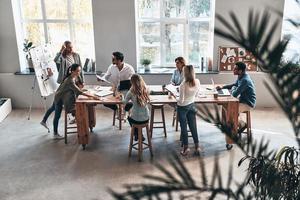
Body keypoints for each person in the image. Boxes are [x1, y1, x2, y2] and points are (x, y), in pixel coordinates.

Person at [52, 64, 98, 139]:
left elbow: (76, 89)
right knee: (57, 116)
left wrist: (84, 90)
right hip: (59, 98)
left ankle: (84, 124)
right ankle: (55, 133)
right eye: (77, 71)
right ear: (72, 71)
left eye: (79, 71)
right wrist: (93, 97)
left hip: (63, 97)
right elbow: (78, 92)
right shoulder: (70, 80)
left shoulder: (73, 77)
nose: (79, 72)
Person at [216, 62, 256, 133]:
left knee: (230, 111)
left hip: (248, 103)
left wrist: (234, 88)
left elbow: (234, 94)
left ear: (240, 71)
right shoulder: (241, 76)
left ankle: (242, 124)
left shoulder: (245, 80)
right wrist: (223, 87)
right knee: (225, 105)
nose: (233, 70)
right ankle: (227, 125)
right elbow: (235, 85)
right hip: (242, 100)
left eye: (235, 69)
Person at [177, 65, 201, 156]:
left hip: (182, 107)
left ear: (185, 73)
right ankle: (197, 146)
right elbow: (197, 94)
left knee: (184, 128)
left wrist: (176, 99)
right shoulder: (197, 82)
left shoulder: (183, 85)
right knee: (193, 127)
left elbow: (181, 100)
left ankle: (186, 148)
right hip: (191, 105)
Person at [123, 74, 150, 141]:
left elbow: (124, 102)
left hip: (136, 120)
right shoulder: (146, 89)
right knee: (134, 113)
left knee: (129, 117)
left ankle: (137, 134)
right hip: (146, 119)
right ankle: (139, 134)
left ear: (132, 82)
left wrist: (121, 96)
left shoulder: (131, 92)